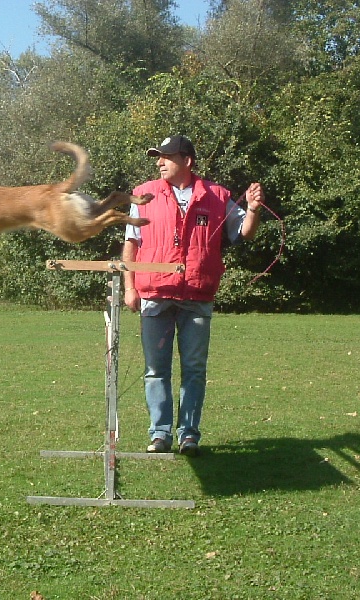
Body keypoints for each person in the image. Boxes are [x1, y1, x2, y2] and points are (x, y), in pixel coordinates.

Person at [122, 135, 263, 456]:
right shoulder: (143, 195)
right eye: (158, 157)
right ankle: (160, 434)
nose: (159, 162)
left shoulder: (215, 195)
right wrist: (130, 287)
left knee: (194, 370)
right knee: (155, 370)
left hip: (197, 297)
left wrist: (253, 210)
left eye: (167, 157)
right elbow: (131, 244)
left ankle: (189, 435)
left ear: (187, 161)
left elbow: (244, 233)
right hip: (154, 296)